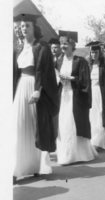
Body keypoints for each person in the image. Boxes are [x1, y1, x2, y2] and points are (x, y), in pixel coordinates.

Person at [13, 13, 59, 182]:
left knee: (37, 127)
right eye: (22, 26)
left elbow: (46, 71)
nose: (24, 28)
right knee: (19, 126)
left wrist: (38, 90)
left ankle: (39, 165)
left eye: (27, 26)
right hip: (21, 88)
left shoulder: (42, 47)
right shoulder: (19, 48)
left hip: (36, 88)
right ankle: (17, 167)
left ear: (34, 28)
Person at [56, 31, 97, 165]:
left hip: (76, 96)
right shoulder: (59, 60)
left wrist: (72, 78)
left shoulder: (80, 61)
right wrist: (59, 79)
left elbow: (85, 81)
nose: (63, 46)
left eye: (65, 44)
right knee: (64, 124)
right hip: (63, 96)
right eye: (61, 44)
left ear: (72, 45)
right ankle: (66, 154)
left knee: (74, 123)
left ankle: (80, 154)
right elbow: (55, 76)